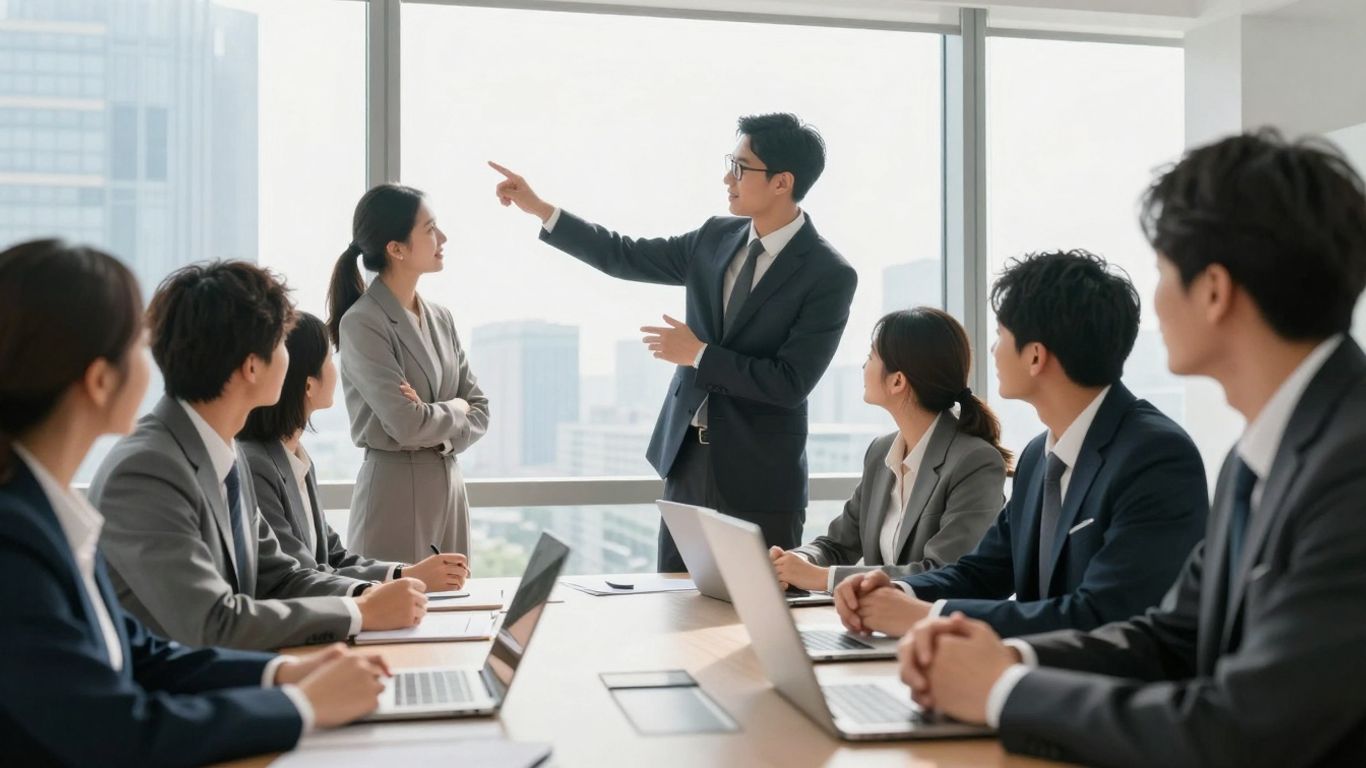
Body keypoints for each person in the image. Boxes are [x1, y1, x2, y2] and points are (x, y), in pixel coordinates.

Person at [898, 129, 1366, 768]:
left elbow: (1245, 729)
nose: (1154, 305)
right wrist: (1008, 659)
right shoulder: (1258, 456)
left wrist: (1004, 691)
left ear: (1214, 291)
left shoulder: (1351, 465)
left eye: (1163, 272)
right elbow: (1173, 636)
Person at [0, 240, 390, 766]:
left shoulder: (45, 512)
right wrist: (299, 705)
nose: (156, 361)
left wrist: (280, 674)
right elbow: (117, 730)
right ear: (98, 380)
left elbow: (142, 655)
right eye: (136, 347)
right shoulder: (20, 535)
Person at [491, 112, 858, 571]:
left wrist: (699, 354)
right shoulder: (713, 238)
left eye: (741, 167)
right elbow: (623, 254)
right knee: (674, 607)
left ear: (782, 182)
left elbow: (790, 383)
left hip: (760, 479)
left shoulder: (828, 274)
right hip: (686, 462)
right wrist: (542, 209)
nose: (728, 177)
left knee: (752, 619)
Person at [835, 250, 1207, 639]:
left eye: (1000, 335)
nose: (993, 351)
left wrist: (926, 617)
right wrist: (897, 591)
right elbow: (985, 571)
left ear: (1034, 356)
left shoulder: (1155, 456)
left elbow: (1102, 615)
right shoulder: (1037, 456)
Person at [89, 260, 427, 651]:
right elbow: (213, 621)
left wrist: (369, 595)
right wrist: (362, 614)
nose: (290, 354)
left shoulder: (224, 455)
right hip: (178, 696)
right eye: (282, 342)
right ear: (252, 366)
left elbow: (280, 578)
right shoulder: (147, 470)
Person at [771, 307, 1009, 592]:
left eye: (871, 357)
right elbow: (837, 544)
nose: (863, 367)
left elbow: (943, 570)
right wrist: (794, 561)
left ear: (897, 381)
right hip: (877, 624)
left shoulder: (975, 461)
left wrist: (823, 578)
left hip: (938, 627)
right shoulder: (881, 451)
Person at [240, 311, 470, 590]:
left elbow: (333, 555)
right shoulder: (255, 465)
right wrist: (390, 590)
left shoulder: (296, 458)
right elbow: (298, 575)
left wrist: (405, 573)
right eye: (329, 360)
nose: (336, 370)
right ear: (309, 386)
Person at [327, 183, 489, 564]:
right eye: (430, 229)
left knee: (457, 612)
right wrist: (456, 407)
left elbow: (481, 408)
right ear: (396, 248)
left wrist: (442, 428)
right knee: (400, 616)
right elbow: (406, 424)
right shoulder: (363, 322)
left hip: (449, 488)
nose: (442, 238)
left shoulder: (441, 317)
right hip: (395, 495)